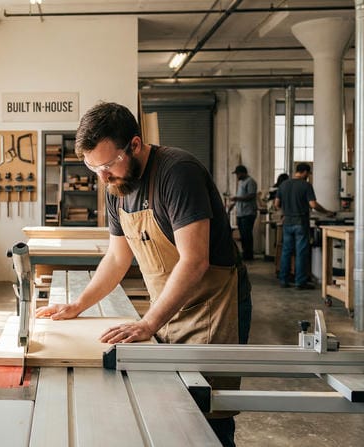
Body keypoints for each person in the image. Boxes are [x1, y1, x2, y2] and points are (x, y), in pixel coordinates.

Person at [35, 102, 250, 446]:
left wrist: (148, 323)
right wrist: (78, 305)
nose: (102, 177)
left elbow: (195, 261)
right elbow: (117, 258)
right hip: (166, 309)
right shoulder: (116, 186)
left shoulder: (178, 172)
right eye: (93, 168)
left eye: (107, 165)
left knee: (205, 417)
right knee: (170, 412)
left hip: (211, 311)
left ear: (134, 145)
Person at [274, 163, 335, 289]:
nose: (308, 176)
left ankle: (284, 280)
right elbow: (313, 204)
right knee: (301, 253)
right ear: (304, 172)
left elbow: (276, 204)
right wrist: (327, 212)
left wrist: (285, 212)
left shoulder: (283, 185)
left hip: (288, 223)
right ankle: (300, 282)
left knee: (286, 251)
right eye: (308, 173)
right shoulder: (306, 186)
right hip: (300, 223)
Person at [227, 165, 258, 261]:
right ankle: (245, 254)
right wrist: (233, 204)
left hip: (248, 213)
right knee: (243, 235)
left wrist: (236, 198)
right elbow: (241, 196)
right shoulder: (241, 183)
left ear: (243, 173)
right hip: (241, 213)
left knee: (247, 235)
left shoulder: (250, 182)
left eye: (238, 174)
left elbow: (251, 196)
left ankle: (249, 255)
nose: (237, 176)